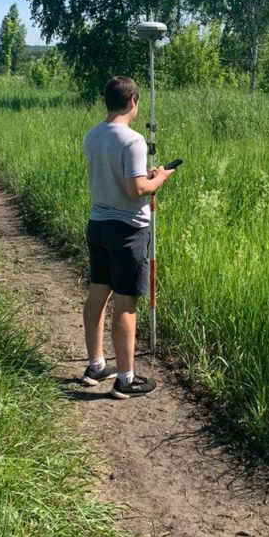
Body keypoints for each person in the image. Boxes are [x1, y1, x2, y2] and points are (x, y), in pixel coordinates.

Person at [82, 75, 174, 398]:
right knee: (125, 303)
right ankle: (125, 379)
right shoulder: (133, 141)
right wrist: (159, 179)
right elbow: (136, 189)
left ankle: (95, 365)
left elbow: (117, 178)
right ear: (133, 101)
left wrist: (143, 178)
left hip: (98, 224)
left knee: (97, 295)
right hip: (127, 230)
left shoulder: (92, 136)